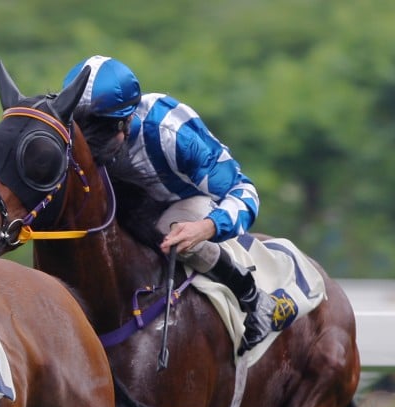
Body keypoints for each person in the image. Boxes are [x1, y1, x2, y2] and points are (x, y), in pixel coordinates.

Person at [62, 55, 277, 353]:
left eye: (98, 129)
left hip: (184, 201)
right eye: (80, 126)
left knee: (169, 231)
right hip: (133, 203)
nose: (87, 140)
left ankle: (252, 297)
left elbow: (244, 190)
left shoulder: (171, 133)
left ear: (127, 119)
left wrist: (206, 227)